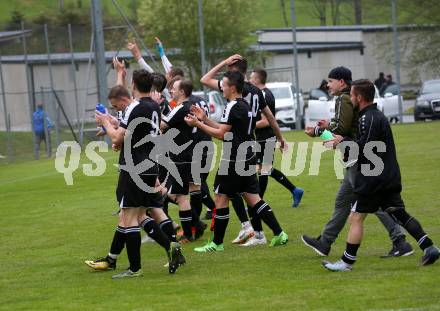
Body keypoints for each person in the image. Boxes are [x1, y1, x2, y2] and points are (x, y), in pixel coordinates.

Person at [322, 79, 439, 271]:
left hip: (373, 179)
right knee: (399, 214)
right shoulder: (373, 116)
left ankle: (346, 262)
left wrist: (339, 143)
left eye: (352, 95)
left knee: (356, 218)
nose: (350, 98)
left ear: (359, 97)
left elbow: (364, 149)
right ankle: (429, 247)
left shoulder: (368, 118)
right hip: (387, 176)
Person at [302, 66, 412, 258]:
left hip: (355, 154)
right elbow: (343, 125)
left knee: (372, 202)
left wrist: (318, 132)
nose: (327, 85)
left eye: (330, 81)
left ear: (342, 82)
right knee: (343, 201)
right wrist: (328, 126)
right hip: (354, 153)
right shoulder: (346, 98)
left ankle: (400, 241)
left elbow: (343, 129)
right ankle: (324, 242)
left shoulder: (343, 98)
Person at [85, 72, 185, 279]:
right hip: (150, 164)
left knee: (129, 218)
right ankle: (170, 245)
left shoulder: (136, 106)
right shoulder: (154, 106)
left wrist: (104, 121)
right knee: (141, 216)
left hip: (134, 166)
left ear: (133, 85)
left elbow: (116, 137)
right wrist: (114, 123)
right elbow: (134, 134)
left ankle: (134, 268)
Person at [186, 71, 288, 253]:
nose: (221, 88)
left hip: (233, 159)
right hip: (247, 156)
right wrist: (204, 119)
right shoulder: (244, 105)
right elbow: (225, 128)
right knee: (253, 198)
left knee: (221, 198)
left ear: (232, 88)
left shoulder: (233, 106)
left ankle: (217, 243)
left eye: (223, 85)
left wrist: (197, 124)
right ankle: (279, 233)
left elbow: (222, 134)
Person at [241, 68, 304, 247]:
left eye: (252, 77)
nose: (250, 80)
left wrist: (248, 124)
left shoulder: (264, 95)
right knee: (263, 169)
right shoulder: (261, 93)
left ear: (258, 79)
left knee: (263, 171)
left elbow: (268, 120)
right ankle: (293, 190)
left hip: (265, 137)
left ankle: (258, 201)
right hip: (263, 138)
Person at [160, 78, 206, 243]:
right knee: (185, 192)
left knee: (180, 197)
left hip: (181, 157)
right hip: (192, 153)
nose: (171, 91)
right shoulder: (190, 107)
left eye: (174, 88)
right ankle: (196, 224)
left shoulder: (180, 108)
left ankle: (189, 233)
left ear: (182, 92)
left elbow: (161, 125)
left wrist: (152, 108)